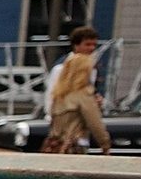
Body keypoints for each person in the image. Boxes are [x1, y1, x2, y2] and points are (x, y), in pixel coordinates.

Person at [44, 27, 109, 155]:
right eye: (87, 44)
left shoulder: (92, 69)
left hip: (63, 137)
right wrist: (105, 145)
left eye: (94, 44)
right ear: (76, 45)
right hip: (73, 139)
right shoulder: (61, 68)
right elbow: (49, 99)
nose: (91, 48)